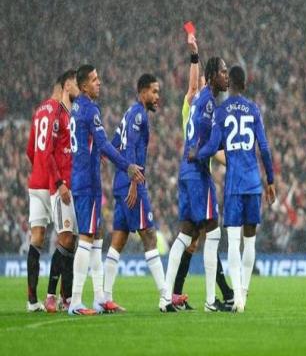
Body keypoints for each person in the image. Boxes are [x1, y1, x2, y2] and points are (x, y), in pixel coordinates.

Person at [191, 65, 275, 312]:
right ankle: (244, 294)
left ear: (230, 84)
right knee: (250, 241)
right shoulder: (254, 109)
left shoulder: (221, 111)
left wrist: (196, 154)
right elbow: (264, 148)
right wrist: (270, 180)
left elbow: (212, 146)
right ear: (245, 85)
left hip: (234, 186)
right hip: (253, 183)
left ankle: (236, 296)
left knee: (234, 241)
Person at [68, 64, 145, 315]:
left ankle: (100, 297)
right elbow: (102, 144)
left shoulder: (76, 107)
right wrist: (127, 166)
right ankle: (76, 302)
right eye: (94, 80)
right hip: (87, 182)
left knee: (97, 234)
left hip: (82, 177)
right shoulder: (90, 109)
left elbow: (94, 144)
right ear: (83, 87)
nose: (99, 82)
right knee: (86, 237)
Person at [171, 24, 234, 310]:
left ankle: (172, 294)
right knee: (208, 231)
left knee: (192, 237)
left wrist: (195, 55)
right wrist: (195, 57)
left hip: (190, 170)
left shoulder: (194, 106)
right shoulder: (197, 105)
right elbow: (194, 86)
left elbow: (213, 151)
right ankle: (218, 295)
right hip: (196, 171)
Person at [102, 74, 167, 311]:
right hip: (132, 182)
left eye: (158, 92)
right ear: (142, 92)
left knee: (118, 239)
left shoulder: (129, 113)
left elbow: (113, 144)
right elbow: (128, 147)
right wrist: (133, 181)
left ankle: (105, 298)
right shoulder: (139, 115)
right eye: (154, 92)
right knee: (149, 235)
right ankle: (165, 296)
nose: (157, 97)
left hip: (121, 182)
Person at [44, 69, 80, 312]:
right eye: (77, 83)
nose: (79, 87)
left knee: (73, 242)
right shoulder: (57, 113)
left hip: (75, 186)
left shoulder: (72, 115)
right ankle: (50, 295)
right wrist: (59, 183)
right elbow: (48, 153)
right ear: (67, 85)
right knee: (65, 237)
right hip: (62, 188)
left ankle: (66, 297)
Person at [25, 77, 63, 312]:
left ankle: (32, 301)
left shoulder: (39, 111)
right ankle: (58, 296)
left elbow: (31, 150)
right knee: (65, 237)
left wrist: (38, 166)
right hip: (51, 183)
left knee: (36, 238)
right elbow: (53, 149)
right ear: (61, 88)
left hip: (35, 182)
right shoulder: (58, 110)